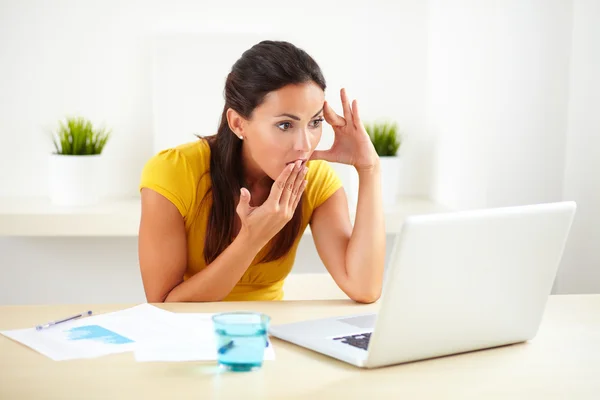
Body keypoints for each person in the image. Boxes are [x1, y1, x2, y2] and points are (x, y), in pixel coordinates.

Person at [138, 40, 385, 303]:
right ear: (238, 124)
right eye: (285, 125)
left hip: (270, 333)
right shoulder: (174, 172)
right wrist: (251, 238)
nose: (304, 145)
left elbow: (364, 288)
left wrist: (370, 169)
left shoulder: (315, 180)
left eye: (314, 122)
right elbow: (163, 306)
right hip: (191, 334)